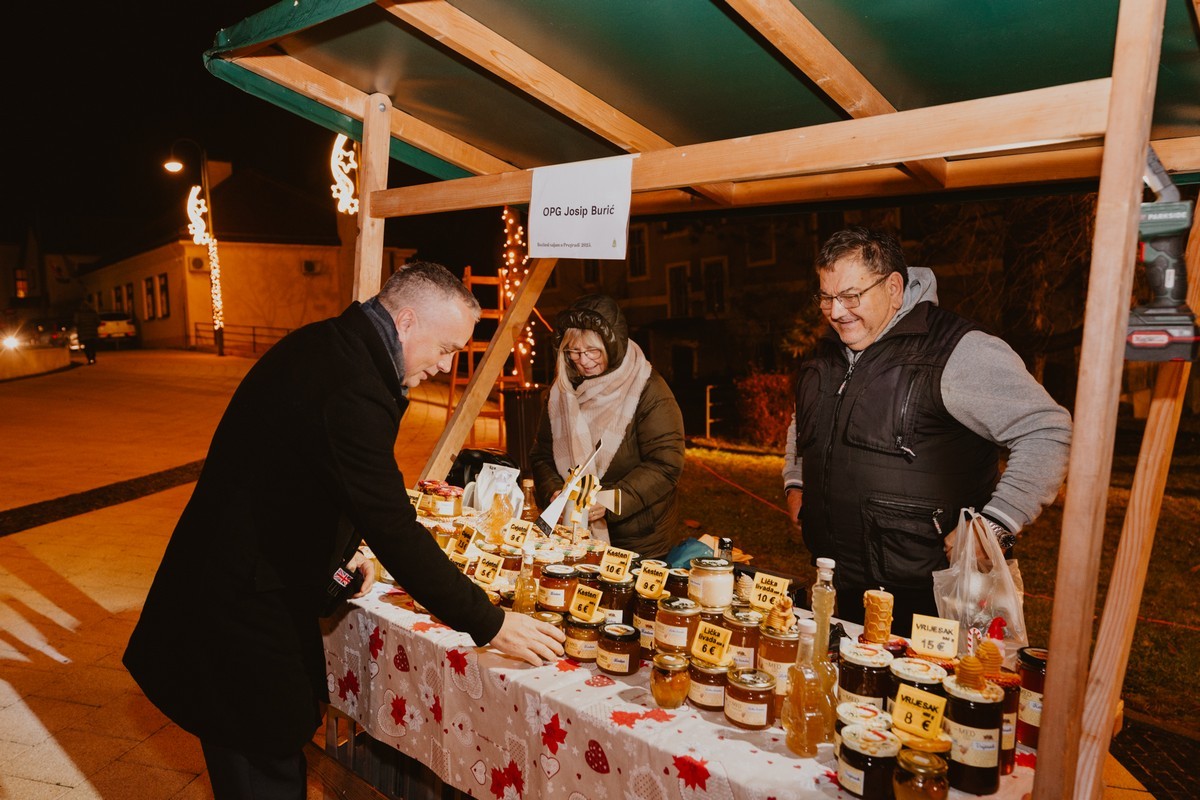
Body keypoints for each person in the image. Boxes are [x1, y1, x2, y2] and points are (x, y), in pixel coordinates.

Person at [123, 262, 564, 800]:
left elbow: (307, 476)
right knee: (261, 757)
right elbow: (392, 526)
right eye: (446, 348)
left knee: (274, 741)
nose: (446, 365)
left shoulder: (335, 346)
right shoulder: (352, 386)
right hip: (236, 600)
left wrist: (338, 550)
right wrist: (489, 622)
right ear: (406, 321)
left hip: (253, 575)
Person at [781, 226, 1071, 632]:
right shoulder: (828, 351)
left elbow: (1047, 431)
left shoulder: (959, 350)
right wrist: (795, 481)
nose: (836, 312)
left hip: (933, 601)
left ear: (894, 288)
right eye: (826, 297)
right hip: (842, 585)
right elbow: (805, 417)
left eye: (850, 296)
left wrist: (994, 526)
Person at [529, 294, 685, 560]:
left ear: (612, 346)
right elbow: (542, 455)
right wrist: (554, 492)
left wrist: (609, 502)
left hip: (638, 541)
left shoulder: (648, 389)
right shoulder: (561, 392)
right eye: (574, 351)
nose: (583, 360)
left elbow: (665, 465)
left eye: (593, 351)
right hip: (572, 535)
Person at [74, 300, 101, 364]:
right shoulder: (93, 312)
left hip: (84, 333)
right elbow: (98, 322)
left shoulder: (79, 313)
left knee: (86, 346)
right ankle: (93, 358)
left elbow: (76, 322)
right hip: (93, 332)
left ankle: (89, 358)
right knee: (93, 346)